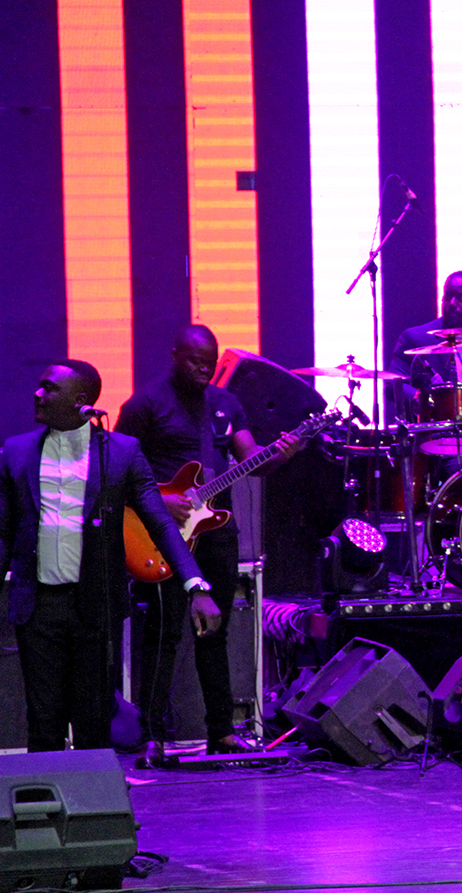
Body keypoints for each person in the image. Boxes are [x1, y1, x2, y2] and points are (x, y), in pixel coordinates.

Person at [0, 359, 220, 752]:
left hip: (96, 606)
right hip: (38, 607)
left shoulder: (120, 452)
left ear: (81, 400)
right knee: (44, 723)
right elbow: (2, 533)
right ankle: (45, 792)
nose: (38, 394)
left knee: (93, 724)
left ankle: (91, 794)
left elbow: (160, 521)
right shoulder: (16, 452)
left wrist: (196, 585)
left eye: (49, 387)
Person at [117, 326, 302, 760]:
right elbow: (117, 467)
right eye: (195, 361)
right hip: (163, 533)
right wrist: (162, 500)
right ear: (175, 355)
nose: (203, 369)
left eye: (210, 363)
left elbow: (252, 460)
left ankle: (221, 731)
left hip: (217, 532)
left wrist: (280, 455)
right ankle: (151, 735)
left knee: (214, 631)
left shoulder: (226, 404)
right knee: (162, 635)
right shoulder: (146, 404)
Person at [388, 271, 462, 417]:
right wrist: (423, 398)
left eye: (460, 298)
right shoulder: (416, 338)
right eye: (448, 296)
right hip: (439, 424)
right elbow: (392, 384)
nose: (452, 303)